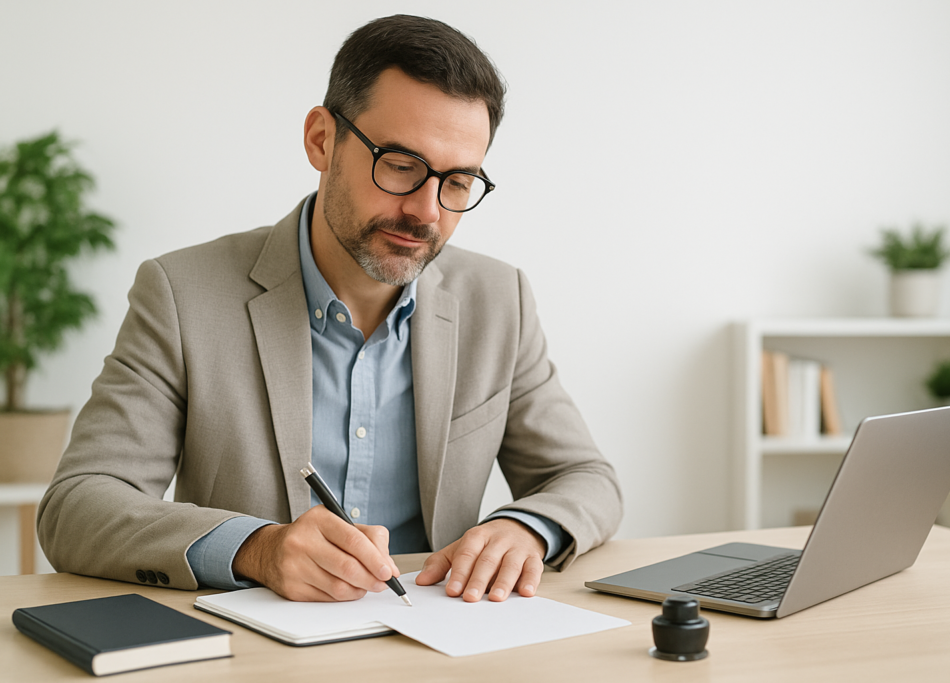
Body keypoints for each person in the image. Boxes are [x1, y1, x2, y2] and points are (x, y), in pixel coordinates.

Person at [38, 14, 621, 604]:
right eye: (399, 164)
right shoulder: (182, 293)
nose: (426, 211)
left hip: (442, 638)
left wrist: (525, 527)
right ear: (322, 140)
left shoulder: (499, 300)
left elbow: (585, 479)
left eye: (459, 181)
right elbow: (78, 506)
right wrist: (257, 548)